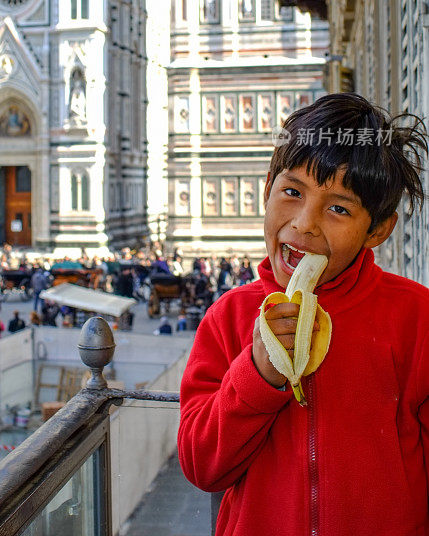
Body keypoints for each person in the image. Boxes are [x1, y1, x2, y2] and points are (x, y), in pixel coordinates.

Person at [178, 93, 429, 536]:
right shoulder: (229, 318)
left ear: (378, 230)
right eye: (292, 192)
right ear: (267, 188)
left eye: (338, 208)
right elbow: (202, 466)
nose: (305, 223)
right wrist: (257, 374)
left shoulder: (415, 317)